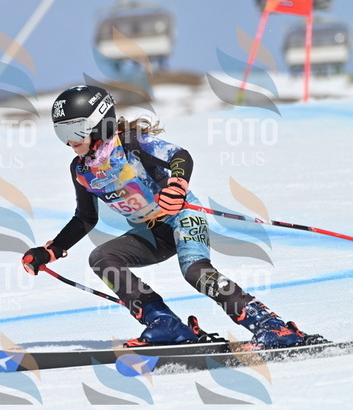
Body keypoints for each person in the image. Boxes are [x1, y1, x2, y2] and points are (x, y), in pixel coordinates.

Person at [21, 85, 304, 349]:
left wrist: (177, 186)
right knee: (102, 258)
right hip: (152, 233)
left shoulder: (130, 144)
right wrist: (51, 251)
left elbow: (180, 156)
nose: (69, 140)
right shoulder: (82, 171)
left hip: (182, 217)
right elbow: (85, 218)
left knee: (195, 271)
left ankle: (272, 327)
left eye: (76, 130)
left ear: (100, 124)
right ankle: (165, 324)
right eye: (61, 132)